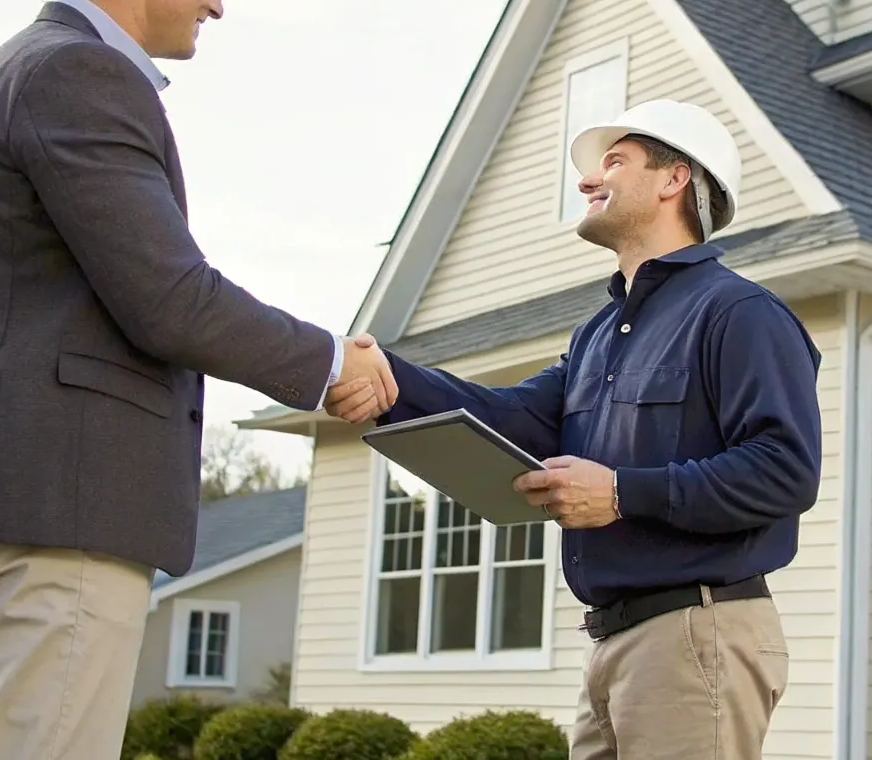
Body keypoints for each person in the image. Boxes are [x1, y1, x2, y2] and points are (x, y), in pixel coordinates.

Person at [0, 0, 399, 760]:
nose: (219, 6)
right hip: (60, 496)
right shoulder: (76, 76)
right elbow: (168, 297)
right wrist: (330, 364)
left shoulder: (18, 73)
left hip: (19, 491)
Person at [327, 98, 822, 759]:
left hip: (695, 635)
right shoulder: (596, 336)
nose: (587, 181)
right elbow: (513, 420)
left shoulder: (739, 314)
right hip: (614, 646)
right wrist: (387, 375)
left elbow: (785, 469)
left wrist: (621, 492)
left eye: (614, 162)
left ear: (675, 179)